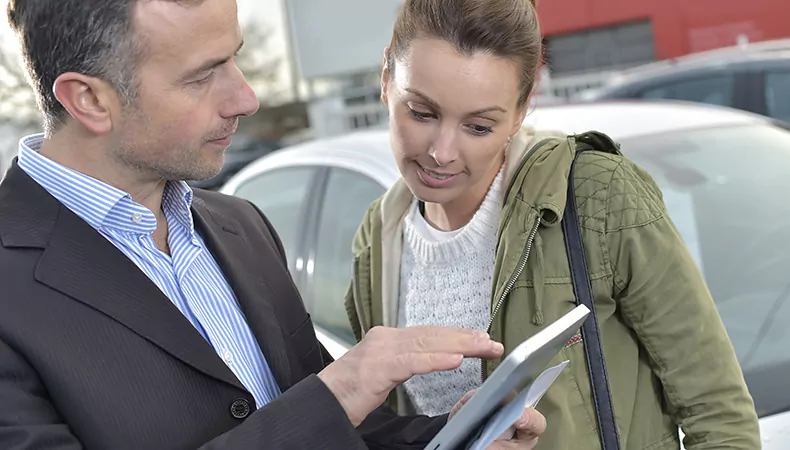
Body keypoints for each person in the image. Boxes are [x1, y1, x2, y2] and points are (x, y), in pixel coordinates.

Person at [0, 0, 548, 449]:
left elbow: (341, 431)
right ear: (90, 99)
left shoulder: (241, 226)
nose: (246, 96)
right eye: (202, 76)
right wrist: (338, 392)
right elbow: (320, 411)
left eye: (233, 59)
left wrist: (454, 438)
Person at [345, 0, 762, 448]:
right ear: (387, 77)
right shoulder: (378, 240)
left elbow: (718, 413)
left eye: (479, 127)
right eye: (422, 114)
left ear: (523, 108)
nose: (442, 152)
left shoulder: (594, 195)